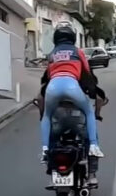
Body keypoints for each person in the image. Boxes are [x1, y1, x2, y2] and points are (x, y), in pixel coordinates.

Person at [39, 24, 104, 162]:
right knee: (89, 112)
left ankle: (45, 149)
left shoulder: (52, 54)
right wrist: (94, 89)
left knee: (47, 116)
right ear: (73, 38)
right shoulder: (77, 52)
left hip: (53, 87)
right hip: (71, 85)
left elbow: (48, 75)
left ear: (55, 38)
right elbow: (87, 72)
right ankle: (93, 146)